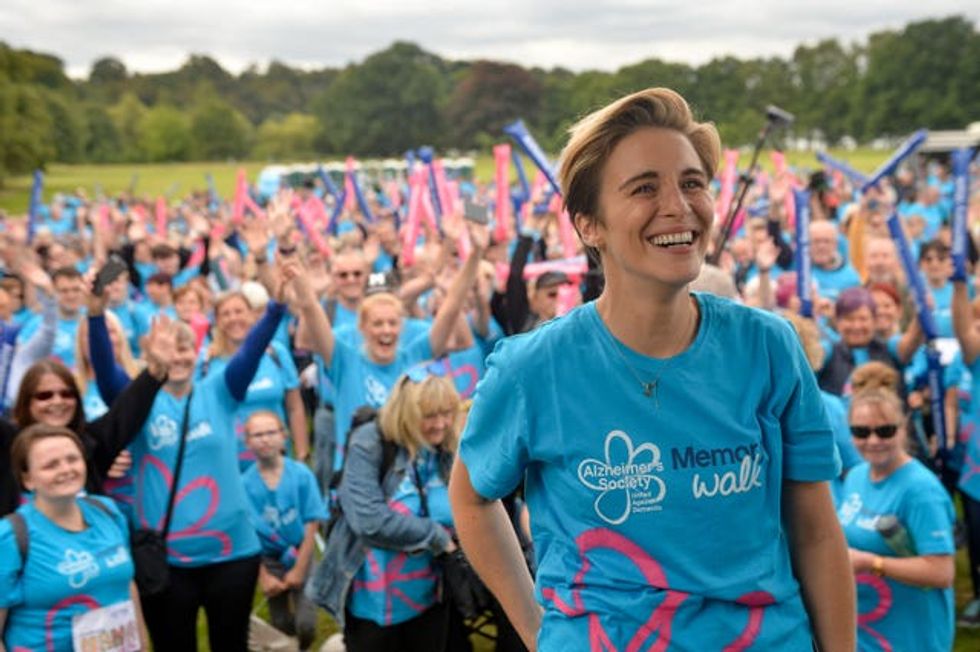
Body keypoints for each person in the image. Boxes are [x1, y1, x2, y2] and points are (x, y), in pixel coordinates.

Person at [449, 87, 855, 650]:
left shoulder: (768, 347)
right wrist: (537, 627)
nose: (679, 205)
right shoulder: (533, 367)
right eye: (645, 187)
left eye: (692, 182)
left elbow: (814, 532)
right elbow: (471, 497)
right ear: (590, 224)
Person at [122, 273, 293, 652]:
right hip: (168, 559)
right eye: (170, 350)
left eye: (186, 349)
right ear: (153, 354)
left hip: (233, 554)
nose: (178, 357)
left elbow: (250, 352)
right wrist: (99, 314)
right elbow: (104, 374)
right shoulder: (137, 403)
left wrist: (276, 308)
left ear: (197, 351)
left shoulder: (219, 389)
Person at [309, 369, 461, 651]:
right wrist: (436, 536)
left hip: (432, 596)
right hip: (376, 605)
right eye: (429, 416)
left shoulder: (445, 450)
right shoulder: (371, 442)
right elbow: (369, 520)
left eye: (447, 413)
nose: (441, 424)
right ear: (406, 413)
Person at [0, 424, 148, 651]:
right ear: (28, 479)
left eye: (72, 459)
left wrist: (142, 644)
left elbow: (128, 587)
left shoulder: (108, 511)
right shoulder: (11, 537)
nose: (66, 469)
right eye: (51, 465)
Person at [0, 323, 172, 517]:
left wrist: (156, 370)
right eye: (44, 396)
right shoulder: (9, 442)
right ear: (27, 403)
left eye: (67, 394)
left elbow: (126, 410)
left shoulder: (91, 442)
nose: (58, 402)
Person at [837, 387, 955, 650]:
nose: (873, 441)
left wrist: (870, 562)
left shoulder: (921, 491)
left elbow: (941, 572)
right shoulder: (856, 476)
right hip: (866, 629)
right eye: (861, 432)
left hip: (910, 633)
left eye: (885, 431)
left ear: (903, 429)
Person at [242, 410, 326, 652]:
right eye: (257, 435)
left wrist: (300, 568)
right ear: (247, 442)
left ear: (284, 436)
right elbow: (246, 534)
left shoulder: (301, 475)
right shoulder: (245, 485)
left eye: (271, 432)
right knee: (280, 622)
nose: (265, 439)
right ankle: (287, 646)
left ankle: (303, 646)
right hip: (269, 560)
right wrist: (264, 577)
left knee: (307, 621)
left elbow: (313, 522)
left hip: (302, 552)